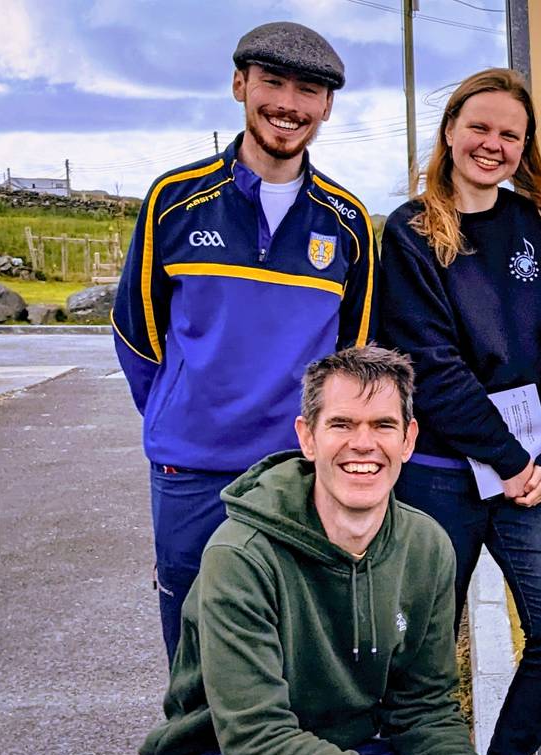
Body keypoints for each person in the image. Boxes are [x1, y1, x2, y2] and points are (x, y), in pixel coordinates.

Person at [112, 21, 376, 662]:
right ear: (239, 85)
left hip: (297, 471)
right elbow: (135, 331)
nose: (288, 104)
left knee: (295, 642)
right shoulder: (174, 201)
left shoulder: (348, 223)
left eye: (308, 90)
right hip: (190, 470)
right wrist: (183, 412)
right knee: (193, 640)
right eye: (272, 82)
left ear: (327, 106)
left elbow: (354, 357)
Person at [372, 67, 541, 755]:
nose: (492, 144)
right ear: (450, 132)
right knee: (424, 651)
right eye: (480, 128)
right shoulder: (410, 232)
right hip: (441, 474)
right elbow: (430, 367)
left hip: (530, 479)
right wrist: (509, 457)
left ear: (525, 147)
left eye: (509, 134)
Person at [137, 347, 483, 755]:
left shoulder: (427, 546)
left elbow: (425, 709)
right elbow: (257, 742)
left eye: (383, 425)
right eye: (341, 424)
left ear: (408, 440)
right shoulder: (241, 556)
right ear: (307, 438)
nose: (364, 443)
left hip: (348, 748)